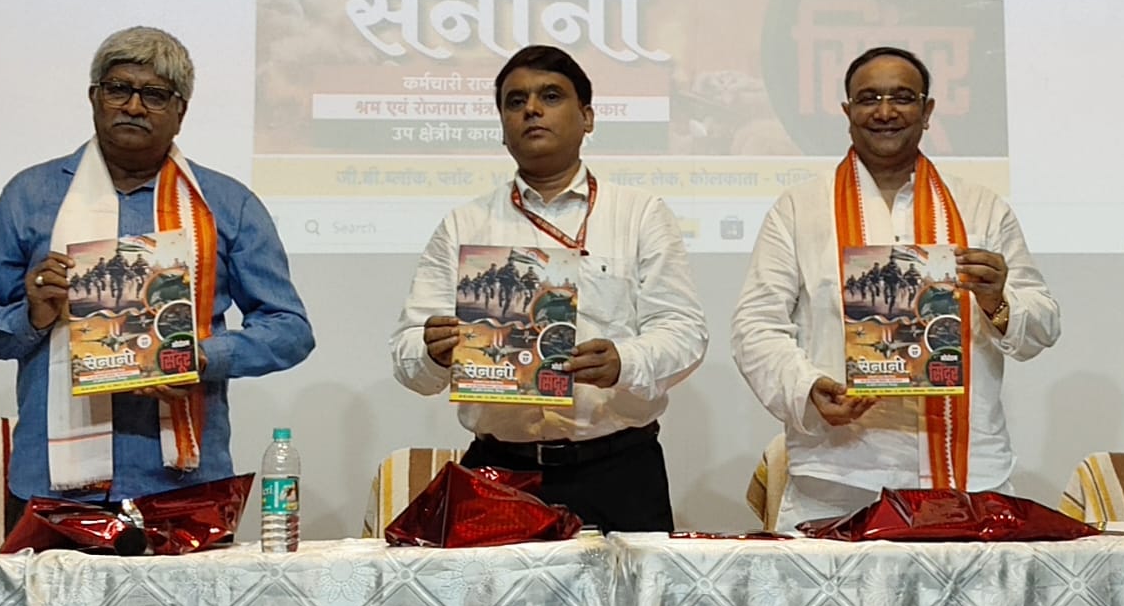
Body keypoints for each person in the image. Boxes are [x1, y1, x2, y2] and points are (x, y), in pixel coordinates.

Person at [0, 26, 315, 534]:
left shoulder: (225, 203)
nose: (133, 106)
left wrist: (199, 357)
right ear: (94, 98)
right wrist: (32, 316)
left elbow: (291, 330)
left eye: (155, 95)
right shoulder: (30, 196)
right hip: (54, 484)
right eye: (118, 89)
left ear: (180, 112)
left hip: (183, 484)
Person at [732, 46, 1060, 529]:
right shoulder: (800, 209)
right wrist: (807, 387)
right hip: (840, 474)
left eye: (902, 98)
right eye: (869, 99)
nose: (885, 112)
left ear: (927, 112)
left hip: (968, 473)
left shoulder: (981, 208)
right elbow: (755, 326)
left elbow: (1043, 323)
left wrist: (997, 302)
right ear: (847, 112)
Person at [391, 44, 707, 532]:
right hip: (500, 471)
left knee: (630, 588)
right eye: (515, 102)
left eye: (551, 96)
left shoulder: (639, 214)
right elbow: (407, 356)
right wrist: (432, 351)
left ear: (587, 117)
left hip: (620, 469)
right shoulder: (464, 225)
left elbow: (685, 332)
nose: (532, 109)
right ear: (502, 127)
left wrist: (625, 362)